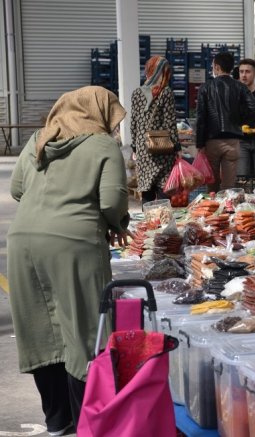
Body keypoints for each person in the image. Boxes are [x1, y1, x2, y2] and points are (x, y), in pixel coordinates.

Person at [8, 86, 131, 435]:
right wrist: (115, 224)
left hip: (22, 244)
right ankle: (85, 422)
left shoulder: (39, 139)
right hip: (75, 243)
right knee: (85, 331)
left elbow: (17, 189)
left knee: (40, 331)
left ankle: (57, 421)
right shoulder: (103, 145)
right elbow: (111, 201)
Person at [196, 52, 255, 191]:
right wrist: (238, 119)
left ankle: (213, 209)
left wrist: (199, 143)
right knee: (229, 186)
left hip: (211, 141)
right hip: (233, 141)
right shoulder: (240, 86)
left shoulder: (205, 87)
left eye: (213, 66)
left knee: (212, 183)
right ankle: (228, 210)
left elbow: (201, 117)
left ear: (217, 67)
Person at [130, 55, 180, 203]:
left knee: (147, 191)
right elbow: (170, 122)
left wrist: (134, 147)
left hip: (143, 146)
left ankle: (148, 222)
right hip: (162, 146)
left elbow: (134, 122)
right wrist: (177, 147)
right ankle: (164, 223)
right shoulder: (165, 92)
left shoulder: (137, 93)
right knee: (164, 188)